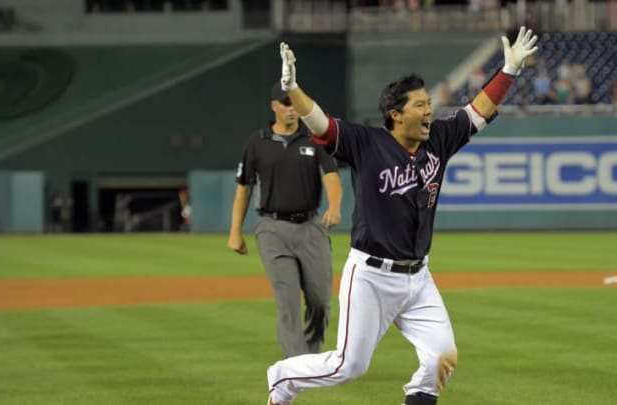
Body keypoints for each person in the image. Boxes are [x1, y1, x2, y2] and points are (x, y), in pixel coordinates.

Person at [266, 26, 538, 405]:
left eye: (429, 103)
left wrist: (508, 70)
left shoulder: (439, 140)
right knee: (349, 366)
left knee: (441, 355)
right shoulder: (366, 143)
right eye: (420, 105)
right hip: (372, 277)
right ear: (396, 114)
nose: (429, 110)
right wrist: (293, 88)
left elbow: (478, 111)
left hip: (419, 277)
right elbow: (322, 125)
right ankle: (282, 378)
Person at [227, 82, 343, 358]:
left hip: (311, 227)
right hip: (272, 228)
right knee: (288, 300)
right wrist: (235, 232)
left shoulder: (315, 138)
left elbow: (332, 177)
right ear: (274, 106)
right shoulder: (257, 143)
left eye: (294, 103)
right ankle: (296, 363)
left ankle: (312, 354)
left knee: (320, 301)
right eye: (286, 103)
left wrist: (335, 207)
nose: (292, 109)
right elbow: (243, 189)